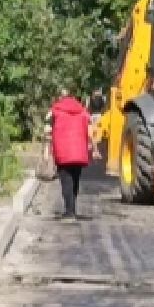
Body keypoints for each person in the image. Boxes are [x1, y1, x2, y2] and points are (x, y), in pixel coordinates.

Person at [48, 87, 92, 220]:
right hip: (79, 152)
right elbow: (90, 130)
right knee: (75, 180)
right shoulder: (83, 111)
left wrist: (47, 151)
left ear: (60, 98)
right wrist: (93, 147)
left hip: (63, 152)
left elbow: (47, 130)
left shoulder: (55, 111)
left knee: (66, 182)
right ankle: (72, 208)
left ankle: (69, 212)